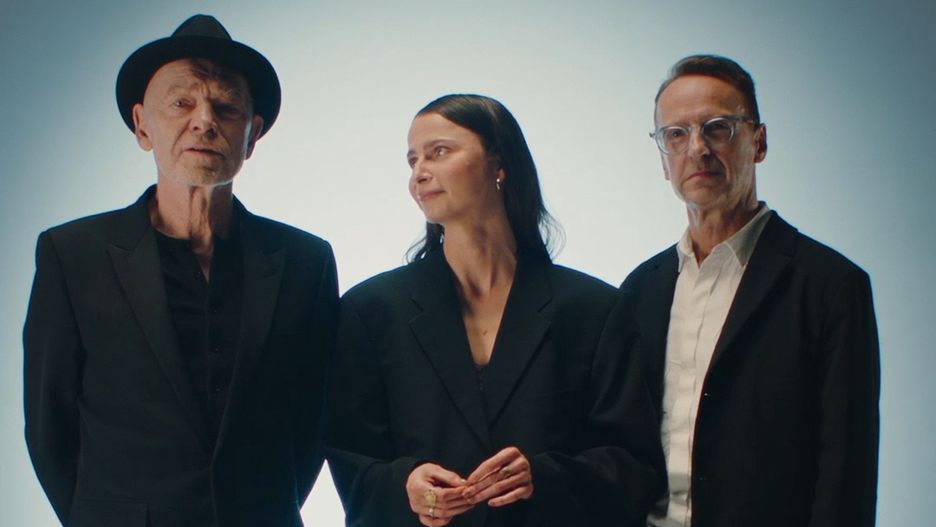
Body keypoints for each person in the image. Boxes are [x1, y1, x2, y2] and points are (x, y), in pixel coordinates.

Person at [23, 15, 338, 527]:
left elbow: (314, 422)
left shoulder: (307, 262)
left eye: (226, 107)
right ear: (142, 125)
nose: (204, 121)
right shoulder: (73, 254)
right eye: (181, 103)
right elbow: (49, 427)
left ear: (252, 135)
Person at [326, 94, 664, 527]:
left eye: (439, 152)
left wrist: (543, 478)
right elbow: (348, 455)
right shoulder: (370, 309)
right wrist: (403, 485)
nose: (419, 173)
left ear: (499, 164)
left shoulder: (594, 309)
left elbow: (634, 465)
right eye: (412, 160)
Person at [621, 54, 880, 527]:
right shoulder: (640, 290)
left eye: (718, 128)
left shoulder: (830, 286)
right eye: (676, 134)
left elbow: (845, 473)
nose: (697, 148)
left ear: (758, 142)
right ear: (663, 159)